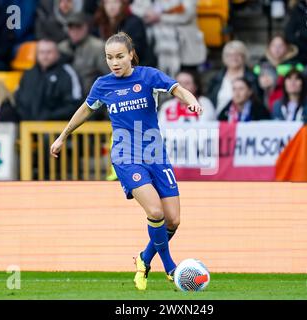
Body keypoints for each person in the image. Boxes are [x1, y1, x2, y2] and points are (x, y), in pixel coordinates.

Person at [50, 32, 203, 291]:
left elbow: (177, 89)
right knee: (155, 212)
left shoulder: (148, 76)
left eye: (120, 56)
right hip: (125, 156)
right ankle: (170, 267)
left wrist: (193, 102)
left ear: (131, 54)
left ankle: (144, 259)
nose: (114, 62)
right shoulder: (103, 85)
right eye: (109, 58)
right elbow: (86, 109)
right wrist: (63, 136)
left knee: (173, 220)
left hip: (155, 153)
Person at [15, 39, 83, 121]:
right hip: (27, 127)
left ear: (57, 54)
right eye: (41, 52)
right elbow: (18, 99)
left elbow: (75, 104)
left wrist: (49, 116)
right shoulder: (28, 74)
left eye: (49, 52)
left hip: (57, 128)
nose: (45, 56)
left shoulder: (67, 73)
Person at [207, 40, 257, 116]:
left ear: (244, 57)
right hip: (219, 121)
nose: (234, 58)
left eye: (237, 54)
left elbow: (257, 101)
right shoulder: (216, 79)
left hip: (246, 121)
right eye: (230, 55)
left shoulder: (252, 78)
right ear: (224, 58)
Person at [93, 0, 148, 65]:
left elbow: (136, 51)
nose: (111, 6)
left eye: (115, 2)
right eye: (107, 3)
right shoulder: (100, 23)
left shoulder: (134, 22)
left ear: (123, 4)